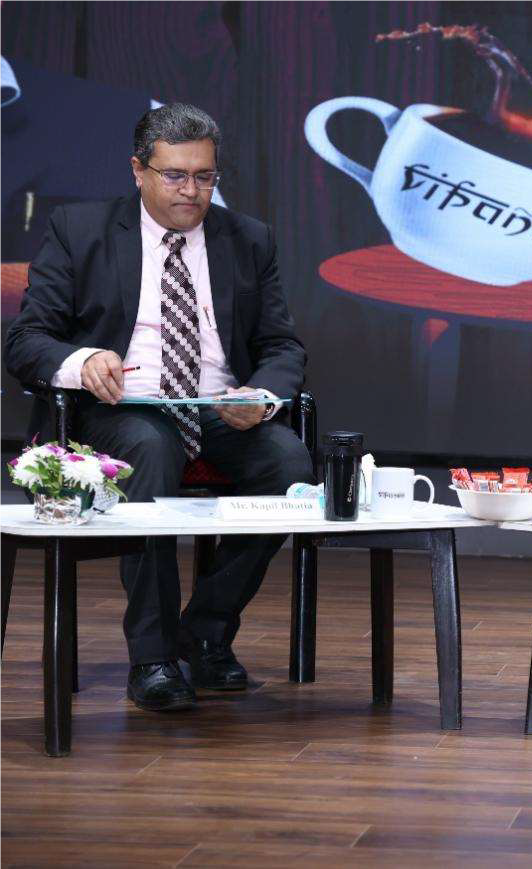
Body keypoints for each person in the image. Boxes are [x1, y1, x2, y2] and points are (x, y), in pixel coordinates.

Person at [5, 104, 314, 712]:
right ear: (138, 170)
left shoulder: (248, 239)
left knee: (289, 465)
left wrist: (260, 395)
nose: (191, 191)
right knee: (150, 447)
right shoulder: (80, 230)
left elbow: (282, 346)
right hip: (121, 405)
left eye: (204, 176)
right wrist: (83, 361)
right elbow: (26, 341)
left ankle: (204, 630)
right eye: (175, 175)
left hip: (217, 407)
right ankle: (152, 658)